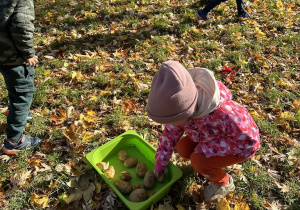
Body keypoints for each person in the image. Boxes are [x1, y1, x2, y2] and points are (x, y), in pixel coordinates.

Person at [147, 61, 260, 202]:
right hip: (206, 135)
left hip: (239, 147)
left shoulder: (224, 114)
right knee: (182, 149)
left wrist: (206, 149)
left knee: (199, 161)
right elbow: (170, 134)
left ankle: (224, 183)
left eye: (171, 120)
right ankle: (205, 164)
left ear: (186, 112)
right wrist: (160, 163)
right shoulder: (183, 107)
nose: (168, 125)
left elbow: (251, 142)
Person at [0, 0, 41, 155]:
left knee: (14, 86)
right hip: (12, 56)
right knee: (22, 93)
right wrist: (28, 53)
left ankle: (16, 112)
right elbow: (21, 25)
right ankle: (13, 141)